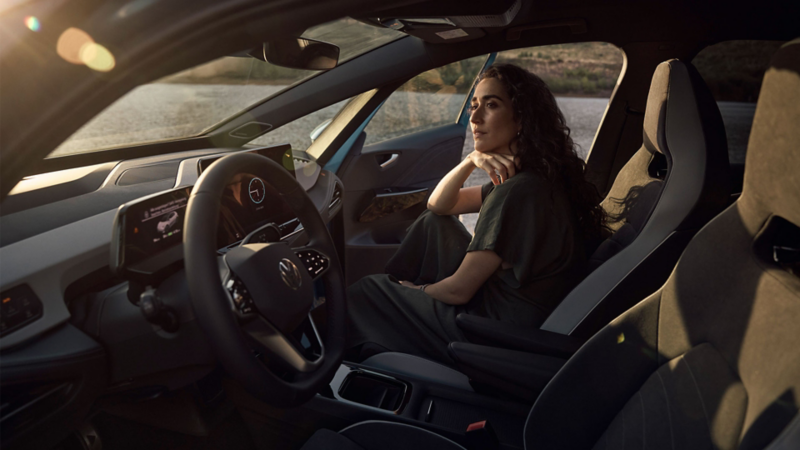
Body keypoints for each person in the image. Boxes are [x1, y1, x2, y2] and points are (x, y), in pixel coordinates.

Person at [346, 64, 607, 365]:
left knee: (367, 291)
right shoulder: (534, 179)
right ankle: (399, 316)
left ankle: (387, 321)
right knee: (435, 224)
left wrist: (415, 289)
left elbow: (458, 291)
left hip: (492, 328)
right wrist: (470, 161)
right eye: (474, 106)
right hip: (510, 312)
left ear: (521, 118)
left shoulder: (518, 192)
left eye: (491, 105)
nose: (474, 117)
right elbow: (439, 205)